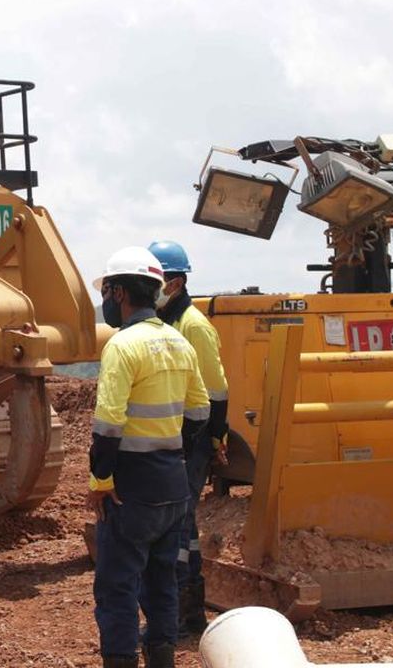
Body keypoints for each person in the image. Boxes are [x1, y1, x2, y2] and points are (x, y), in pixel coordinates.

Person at [89, 246, 210, 668]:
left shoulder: (123, 346)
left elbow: (107, 425)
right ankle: (162, 659)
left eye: (107, 290)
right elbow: (200, 413)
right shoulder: (178, 342)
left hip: (131, 488)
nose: (105, 300)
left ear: (120, 292)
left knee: (117, 586)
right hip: (172, 483)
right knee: (162, 583)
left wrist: (100, 482)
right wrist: (174, 455)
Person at [147, 240, 230, 635]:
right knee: (183, 527)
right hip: (178, 439)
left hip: (190, 440)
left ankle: (179, 615)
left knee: (174, 529)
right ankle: (190, 613)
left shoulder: (193, 326)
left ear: (175, 283)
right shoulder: (168, 323)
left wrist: (211, 442)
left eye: (156, 280)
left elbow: (216, 391)